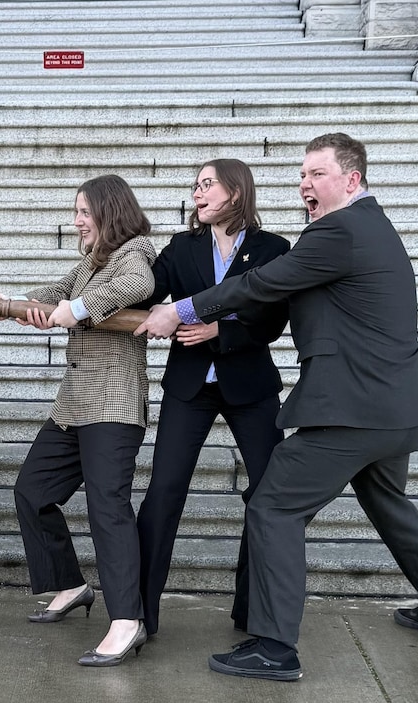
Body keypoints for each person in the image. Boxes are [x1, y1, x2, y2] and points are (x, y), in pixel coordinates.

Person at [136, 133, 418, 681]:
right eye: (302, 175)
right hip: (396, 411)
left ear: (352, 180)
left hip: (350, 412)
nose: (304, 185)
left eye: (317, 174)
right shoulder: (372, 228)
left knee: (273, 506)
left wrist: (187, 309)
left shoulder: (340, 230)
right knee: (389, 504)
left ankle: (274, 647)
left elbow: (265, 282)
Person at [2, 174, 156, 666]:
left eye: (84, 213)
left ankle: (127, 621)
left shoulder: (135, 253)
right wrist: (14, 305)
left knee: (107, 510)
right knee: (32, 490)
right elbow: (53, 292)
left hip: (113, 407)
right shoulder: (93, 261)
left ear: (109, 212)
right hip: (72, 407)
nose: (77, 221)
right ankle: (70, 583)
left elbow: (140, 286)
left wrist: (79, 308)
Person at [136, 159, 289, 637]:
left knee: (269, 492)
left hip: (250, 386)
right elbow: (148, 292)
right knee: (163, 492)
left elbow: (270, 319)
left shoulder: (273, 249)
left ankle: (252, 611)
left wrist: (220, 330)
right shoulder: (182, 247)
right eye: (195, 186)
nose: (197, 193)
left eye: (207, 184)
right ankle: (138, 612)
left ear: (236, 192)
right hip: (188, 386)